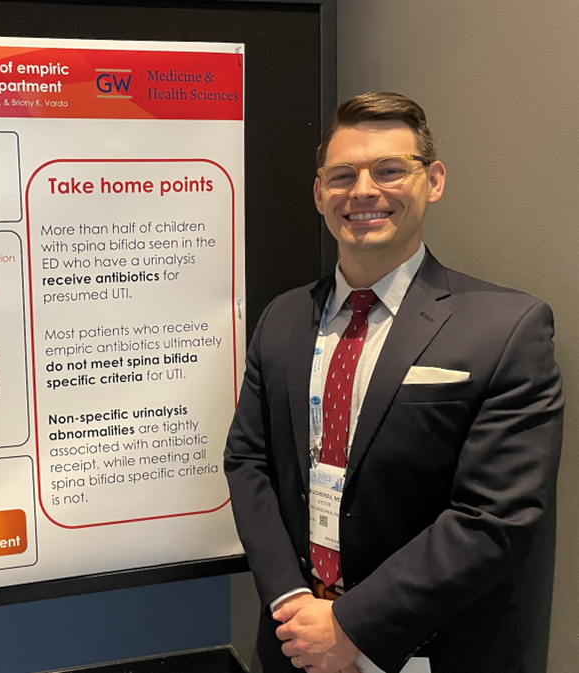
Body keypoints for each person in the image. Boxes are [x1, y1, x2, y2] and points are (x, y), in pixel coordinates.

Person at [224, 92, 563, 673]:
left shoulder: (507, 327)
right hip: (293, 641)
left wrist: (352, 626)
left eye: (388, 170)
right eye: (342, 175)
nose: (362, 191)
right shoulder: (280, 317)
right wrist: (291, 602)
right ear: (318, 193)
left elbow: (493, 517)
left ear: (432, 180)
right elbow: (248, 461)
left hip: (427, 646)